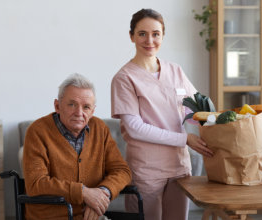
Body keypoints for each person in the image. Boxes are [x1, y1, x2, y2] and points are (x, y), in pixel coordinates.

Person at [111, 8, 214, 220]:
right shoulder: (124, 78)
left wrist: (220, 121)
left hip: (178, 168)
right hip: (146, 171)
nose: (150, 40)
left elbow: (198, 109)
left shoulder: (175, 70)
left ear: (163, 36)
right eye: (142, 33)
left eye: (156, 34)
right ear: (132, 36)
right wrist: (186, 139)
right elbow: (135, 129)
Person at [23, 73, 132, 220]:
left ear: (92, 111)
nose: (79, 113)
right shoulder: (37, 131)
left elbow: (122, 170)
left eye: (86, 107)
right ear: (57, 106)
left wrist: (100, 195)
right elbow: (36, 183)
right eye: (72, 104)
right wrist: (83, 193)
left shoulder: (100, 128)